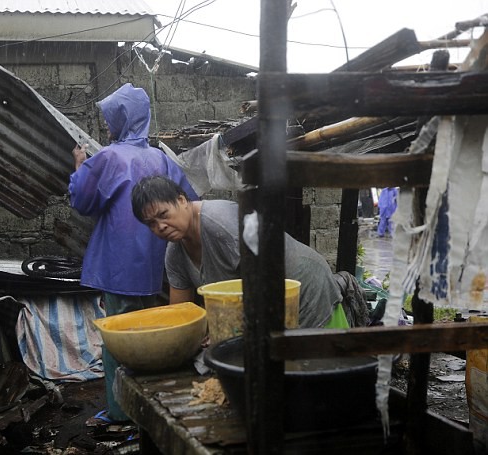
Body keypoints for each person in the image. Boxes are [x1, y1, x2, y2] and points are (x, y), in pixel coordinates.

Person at [68, 83, 197, 426]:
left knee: (118, 342)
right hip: (158, 265)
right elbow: (190, 200)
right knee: (152, 339)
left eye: (111, 119)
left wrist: (80, 165)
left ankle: (121, 411)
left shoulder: (108, 158)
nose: (108, 126)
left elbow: (82, 201)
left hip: (119, 266)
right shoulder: (160, 158)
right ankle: (153, 407)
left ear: (121, 119)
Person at [131, 175, 348, 329]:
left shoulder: (221, 226)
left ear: (181, 200)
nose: (160, 226)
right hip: (265, 304)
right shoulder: (175, 254)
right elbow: (179, 314)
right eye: (151, 223)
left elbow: (262, 286)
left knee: (320, 373)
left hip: (304, 287)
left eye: (164, 214)